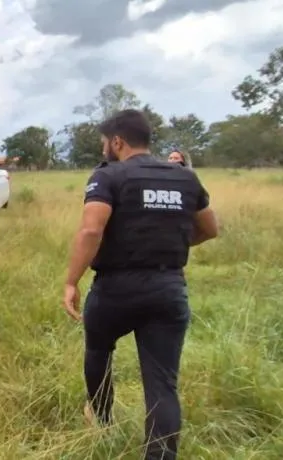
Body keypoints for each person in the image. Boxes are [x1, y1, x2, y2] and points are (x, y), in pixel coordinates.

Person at [62, 109, 219, 460]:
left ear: (117, 141)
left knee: (98, 351)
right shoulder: (185, 177)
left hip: (115, 288)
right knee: (162, 383)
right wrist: (169, 243)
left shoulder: (108, 177)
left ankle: (102, 419)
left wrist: (72, 281)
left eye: (105, 142)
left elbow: (91, 229)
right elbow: (210, 229)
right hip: (168, 287)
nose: (105, 148)